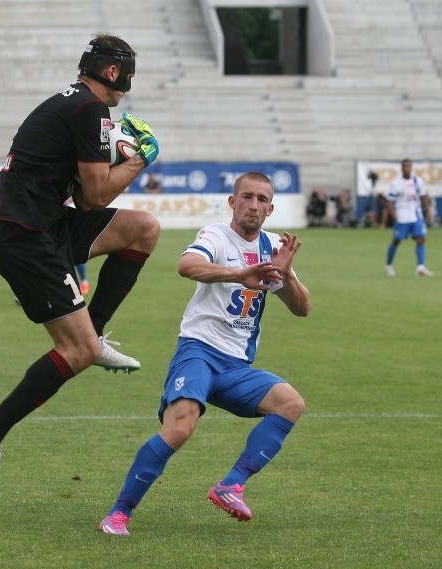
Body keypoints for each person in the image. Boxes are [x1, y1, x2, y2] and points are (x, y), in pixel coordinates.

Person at [0, 33, 161, 501]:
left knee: (143, 229)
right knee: (77, 352)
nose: (128, 85)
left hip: (46, 224)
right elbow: (94, 195)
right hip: (25, 236)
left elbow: (80, 185)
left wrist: (117, 153)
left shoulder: (79, 107)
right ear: (113, 73)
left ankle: (95, 330)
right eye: (128, 75)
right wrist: (139, 161)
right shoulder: (89, 109)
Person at [99, 172, 311, 536]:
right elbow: (187, 266)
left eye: (262, 200)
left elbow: (303, 308)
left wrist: (287, 276)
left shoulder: (273, 247)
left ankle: (231, 486)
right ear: (233, 201)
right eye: (247, 197)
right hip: (199, 352)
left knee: (290, 404)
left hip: (237, 366)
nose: (254, 205)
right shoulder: (215, 235)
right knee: (180, 429)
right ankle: (119, 514)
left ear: (271, 208)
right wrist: (240, 273)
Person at [384, 159, 433, 276]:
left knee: (421, 239)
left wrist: (427, 211)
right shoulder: (396, 183)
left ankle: (420, 267)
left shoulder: (417, 181)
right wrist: (393, 213)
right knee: (397, 241)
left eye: (408, 166)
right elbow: (389, 200)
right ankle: (388, 266)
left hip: (416, 215)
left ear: (411, 168)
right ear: (401, 168)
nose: (406, 169)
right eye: (404, 166)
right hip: (402, 216)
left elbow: (423, 196)